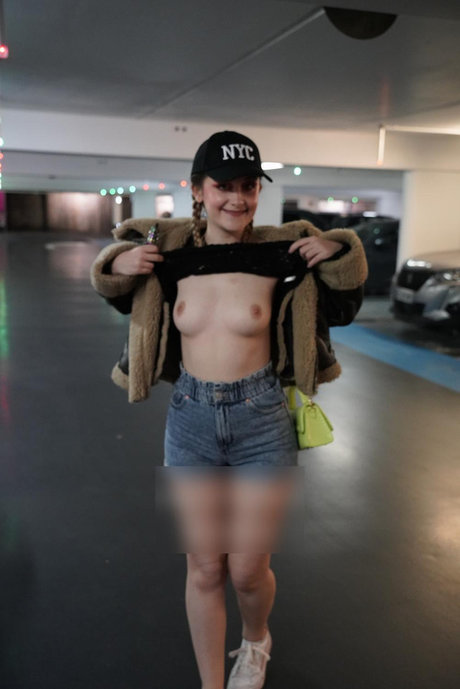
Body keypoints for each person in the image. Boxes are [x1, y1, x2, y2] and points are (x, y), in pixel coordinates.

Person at [90, 130, 368, 689]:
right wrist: (120, 258)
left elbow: (345, 297)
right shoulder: (170, 255)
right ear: (197, 190)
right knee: (203, 567)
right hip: (189, 420)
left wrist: (340, 249)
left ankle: (257, 639)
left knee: (246, 570)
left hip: (262, 421)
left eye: (248, 186)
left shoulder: (279, 253)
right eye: (223, 186)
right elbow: (112, 275)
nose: (237, 199)